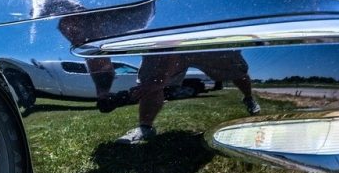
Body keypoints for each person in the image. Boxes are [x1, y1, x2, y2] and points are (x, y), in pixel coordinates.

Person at [104, 50, 261, 144]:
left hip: (203, 33)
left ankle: (248, 97)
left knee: (236, 69)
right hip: (164, 37)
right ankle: (145, 127)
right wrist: (158, 80)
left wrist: (161, 80)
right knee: (150, 77)